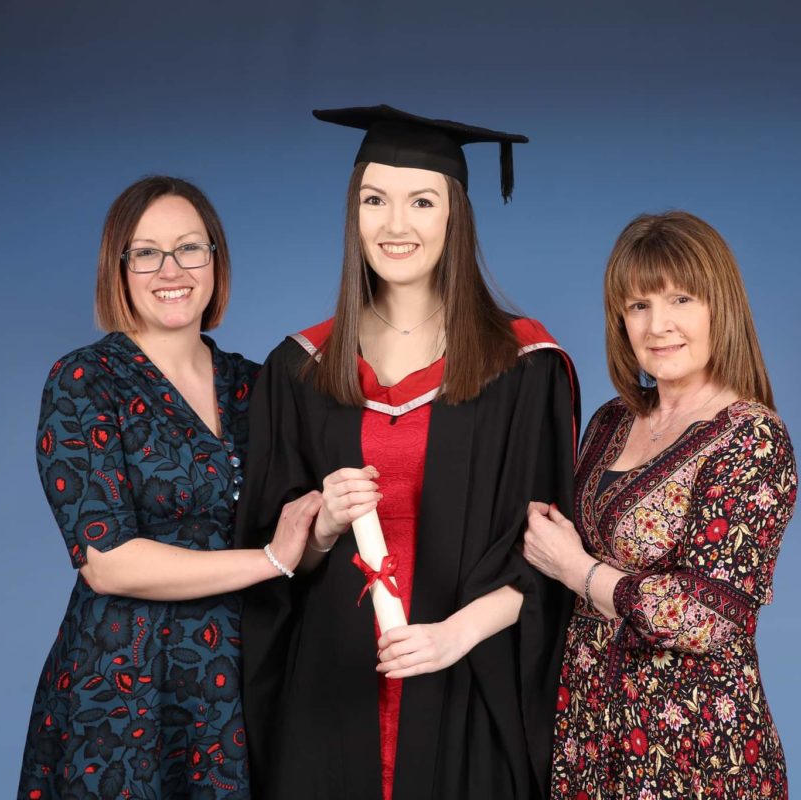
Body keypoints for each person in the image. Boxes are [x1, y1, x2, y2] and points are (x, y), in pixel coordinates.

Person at [235, 105, 579, 800]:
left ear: (456, 215)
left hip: (466, 687)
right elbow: (270, 565)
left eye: (421, 201)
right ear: (352, 213)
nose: (395, 226)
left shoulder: (524, 366)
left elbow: (549, 559)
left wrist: (456, 635)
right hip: (330, 695)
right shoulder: (300, 367)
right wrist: (322, 525)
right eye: (374, 200)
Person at [17, 176, 321, 800]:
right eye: (146, 252)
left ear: (215, 260)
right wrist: (269, 561)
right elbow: (108, 562)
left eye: (189, 247)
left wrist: (316, 534)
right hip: (124, 688)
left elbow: (299, 535)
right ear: (119, 268)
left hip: (237, 682)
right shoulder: (84, 381)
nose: (170, 269)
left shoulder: (258, 386)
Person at [522, 211, 798, 799]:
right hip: (588, 736)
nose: (658, 325)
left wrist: (574, 568)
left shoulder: (750, 438)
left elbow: (707, 617)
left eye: (681, 299)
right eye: (638, 305)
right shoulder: (611, 420)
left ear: (719, 306)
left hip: (693, 748)